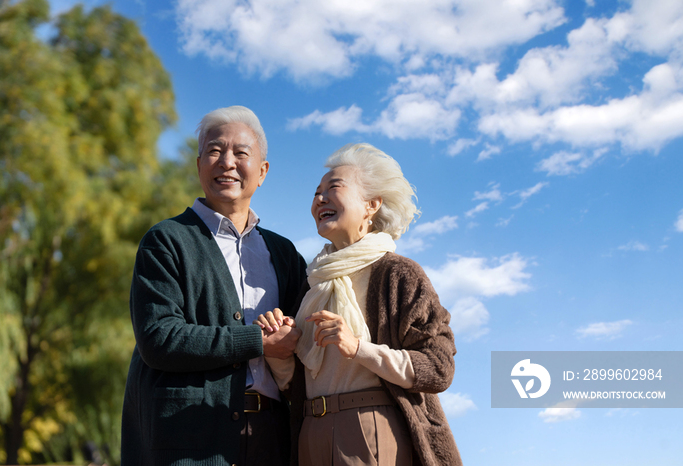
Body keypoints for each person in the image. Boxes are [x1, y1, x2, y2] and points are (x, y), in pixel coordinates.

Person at [121, 106, 307, 466]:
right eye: (214, 150)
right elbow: (159, 338)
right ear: (199, 164)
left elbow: (304, 338)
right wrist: (256, 341)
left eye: (241, 152)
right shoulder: (166, 240)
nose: (226, 162)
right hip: (188, 440)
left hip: (273, 436)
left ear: (263, 172)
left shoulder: (284, 254)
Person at [257, 143, 462, 466]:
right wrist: (278, 351)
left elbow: (438, 367)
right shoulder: (312, 282)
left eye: (333, 188)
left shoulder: (397, 273)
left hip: (370, 427)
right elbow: (296, 385)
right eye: (316, 192)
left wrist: (358, 348)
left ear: (371, 205)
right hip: (309, 431)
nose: (320, 199)